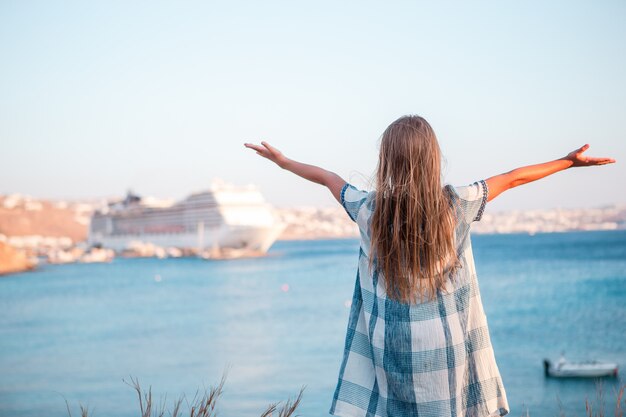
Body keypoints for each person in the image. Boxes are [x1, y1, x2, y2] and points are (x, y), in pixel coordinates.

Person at [244, 115, 615, 417]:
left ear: (386, 161)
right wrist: (568, 162)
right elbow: (514, 177)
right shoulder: (457, 205)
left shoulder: (369, 210)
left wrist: (284, 162)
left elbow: (328, 178)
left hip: (388, 346)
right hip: (446, 346)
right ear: (433, 159)